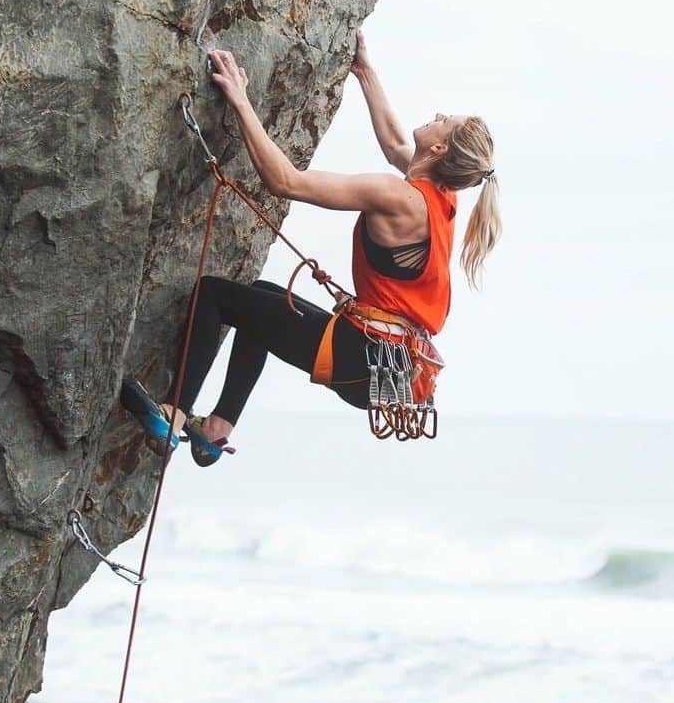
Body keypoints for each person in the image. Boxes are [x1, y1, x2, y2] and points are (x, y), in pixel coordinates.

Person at [120, 33, 500, 463]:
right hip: (390, 365)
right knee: (263, 296)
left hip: (364, 355)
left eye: (444, 120)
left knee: (213, 294)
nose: (438, 114)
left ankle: (172, 414)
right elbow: (398, 147)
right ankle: (218, 427)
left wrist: (241, 101)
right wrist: (364, 71)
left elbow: (285, 182)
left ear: (439, 148)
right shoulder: (440, 194)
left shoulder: (398, 197)